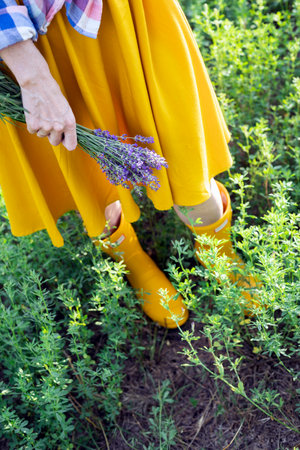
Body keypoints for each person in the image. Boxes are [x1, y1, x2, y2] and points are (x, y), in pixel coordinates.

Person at [0, 0, 250, 329]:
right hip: (31, 40)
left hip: (125, 9)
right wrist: (33, 79)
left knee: (181, 147)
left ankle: (216, 249)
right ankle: (131, 257)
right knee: (86, 165)